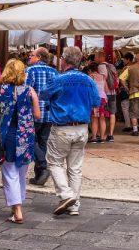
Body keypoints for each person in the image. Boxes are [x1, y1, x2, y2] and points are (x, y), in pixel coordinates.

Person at [40, 46, 99, 216]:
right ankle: (74, 206)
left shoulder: (59, 79)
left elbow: (43, 94)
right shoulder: (88, 80)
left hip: (62, 127)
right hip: (81, 128)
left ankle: (66, 195)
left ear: (64, 60)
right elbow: (96, 102)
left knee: (54, 162)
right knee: (75, 168)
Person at [0, 57, 39, 224]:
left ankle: (17, 209)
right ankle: (18, 205)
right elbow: (37, 115)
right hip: (25, 135)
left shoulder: (0, 90)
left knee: (9, 173)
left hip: (7, 134)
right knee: (21, 173)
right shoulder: (30, 90)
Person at [25, 47, 56, 186]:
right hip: (49, 114)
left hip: (34, 112)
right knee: (42, 143)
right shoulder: (54, 72)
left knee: (30, 140)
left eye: (31, 55)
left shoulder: (30, 71)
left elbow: (26, 92)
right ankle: (39, 175)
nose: (29, 58)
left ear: (38, 57)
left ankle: (42, 168)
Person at [93, 52, 119, 142]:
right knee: (112, 113)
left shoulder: (100, 67)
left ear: (100, 57)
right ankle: (111, 135)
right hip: (113, 92)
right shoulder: (112, 66)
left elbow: (101, 80)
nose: (94, 58)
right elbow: (117, 79)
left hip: (105, 94)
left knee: (101, 115)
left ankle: (100, 134)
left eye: (96, 57)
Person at [121, 52, 139, 137]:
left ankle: (135, 130)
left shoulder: (130, 68)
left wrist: (127, 88)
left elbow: (121, 79)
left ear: (135, 59)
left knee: (133, 113)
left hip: (134, 93)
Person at [85, 62, 109, 144]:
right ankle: (102, 138)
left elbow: (88, 90)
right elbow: (106, 90)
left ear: (90, 70)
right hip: (103, 98)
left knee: (94, 118)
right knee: (102, 118)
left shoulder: (90, 77)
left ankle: (94, 137)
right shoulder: (103, 77)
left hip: (94, 99)